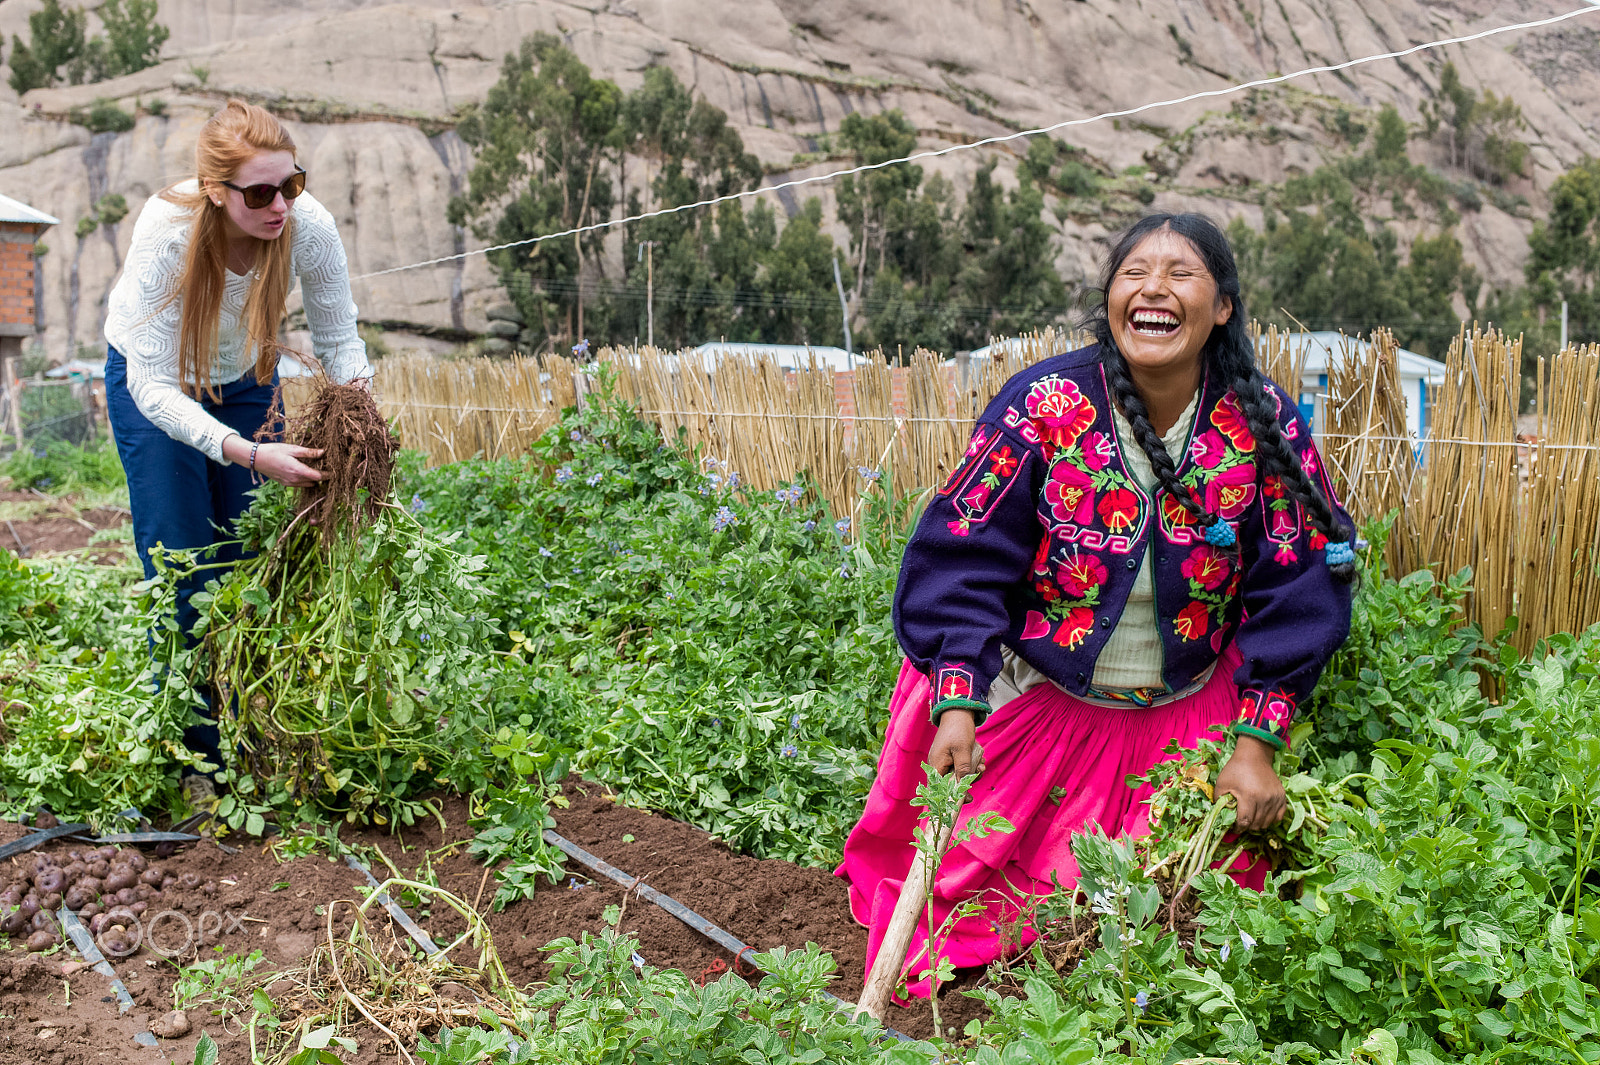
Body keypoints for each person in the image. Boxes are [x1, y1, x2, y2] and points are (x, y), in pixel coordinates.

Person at [836, 212, 1356, 998]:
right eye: (1133, 273)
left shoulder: (1264, 424)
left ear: (1222, 307)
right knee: (967, 927)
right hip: (1033, 702)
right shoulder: (1043, 404)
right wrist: (956, 704)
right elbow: (964, 555)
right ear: (1110, 298)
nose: (1153, 288)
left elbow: (1301, 579)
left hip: (1182, 725)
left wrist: (1255, 743)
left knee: (1188, 935)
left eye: (1181, 273)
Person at [104, 99, 372, 795]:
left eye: (292, 184)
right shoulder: (168, 233)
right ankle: (196, 763)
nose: (281, 203)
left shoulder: (306, 226)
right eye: (260, 192)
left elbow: (339, 340)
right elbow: (153, 386)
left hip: (248, 377)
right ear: (216, 193)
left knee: (252, 559)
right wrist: (250, 454)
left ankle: (249, 737)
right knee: (183, 566)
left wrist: (361, 418)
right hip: (156, 384)